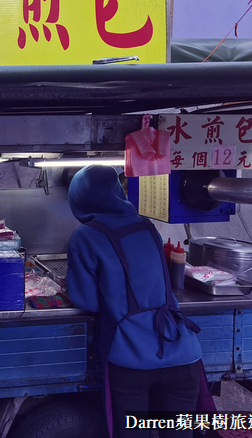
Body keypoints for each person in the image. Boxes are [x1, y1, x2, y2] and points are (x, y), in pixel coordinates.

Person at [66, 165, 204, 438]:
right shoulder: (146, 225)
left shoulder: (85, 236)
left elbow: (87, 301)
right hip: (182, 351)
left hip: (132, 357)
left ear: (79, 198)